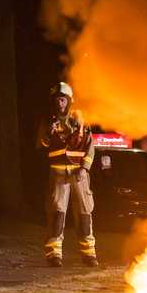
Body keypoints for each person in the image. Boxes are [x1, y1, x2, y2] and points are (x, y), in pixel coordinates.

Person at [37, 81, 97, 267]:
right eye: (57, 100)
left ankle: (89, 254)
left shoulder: (80, 119)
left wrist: (85, 168)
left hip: (79, 174)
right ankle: (54, 254)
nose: (60, 103)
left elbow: (90, 147)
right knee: (57, 213)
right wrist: (49, 133)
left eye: (63, 99)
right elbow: (41, 145)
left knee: (85, 213)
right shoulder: (47, 121)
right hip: (58, 174)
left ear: (69, 100)